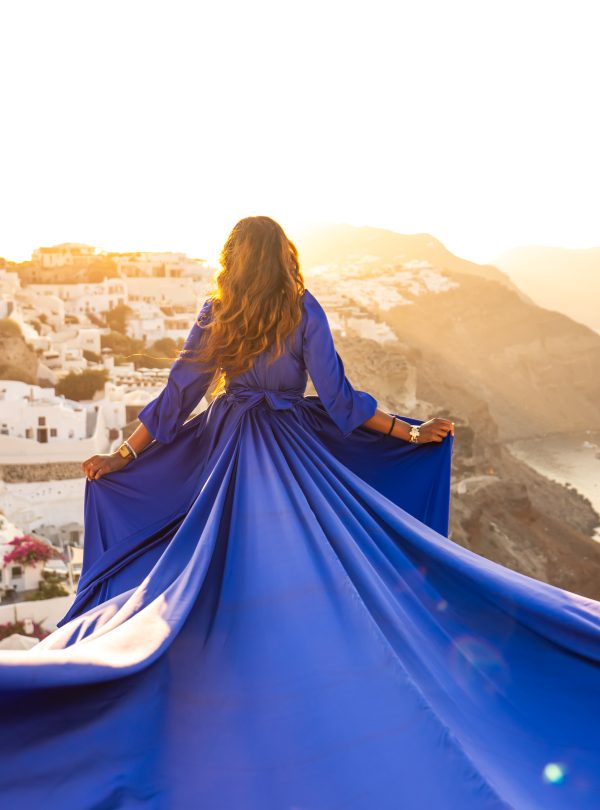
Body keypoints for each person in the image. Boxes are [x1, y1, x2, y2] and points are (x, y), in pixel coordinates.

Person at [0, 216, 599, 809]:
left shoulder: (219, 310)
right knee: (323, 554)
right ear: (284, 256)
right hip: (292, 442)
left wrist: (123, 454)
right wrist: (408, 433)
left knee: (214, 562)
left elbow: (179, 394)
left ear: (234, 259)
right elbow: (337, 400)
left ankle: (227, 676)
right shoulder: (301, 307)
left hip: (227, 445)